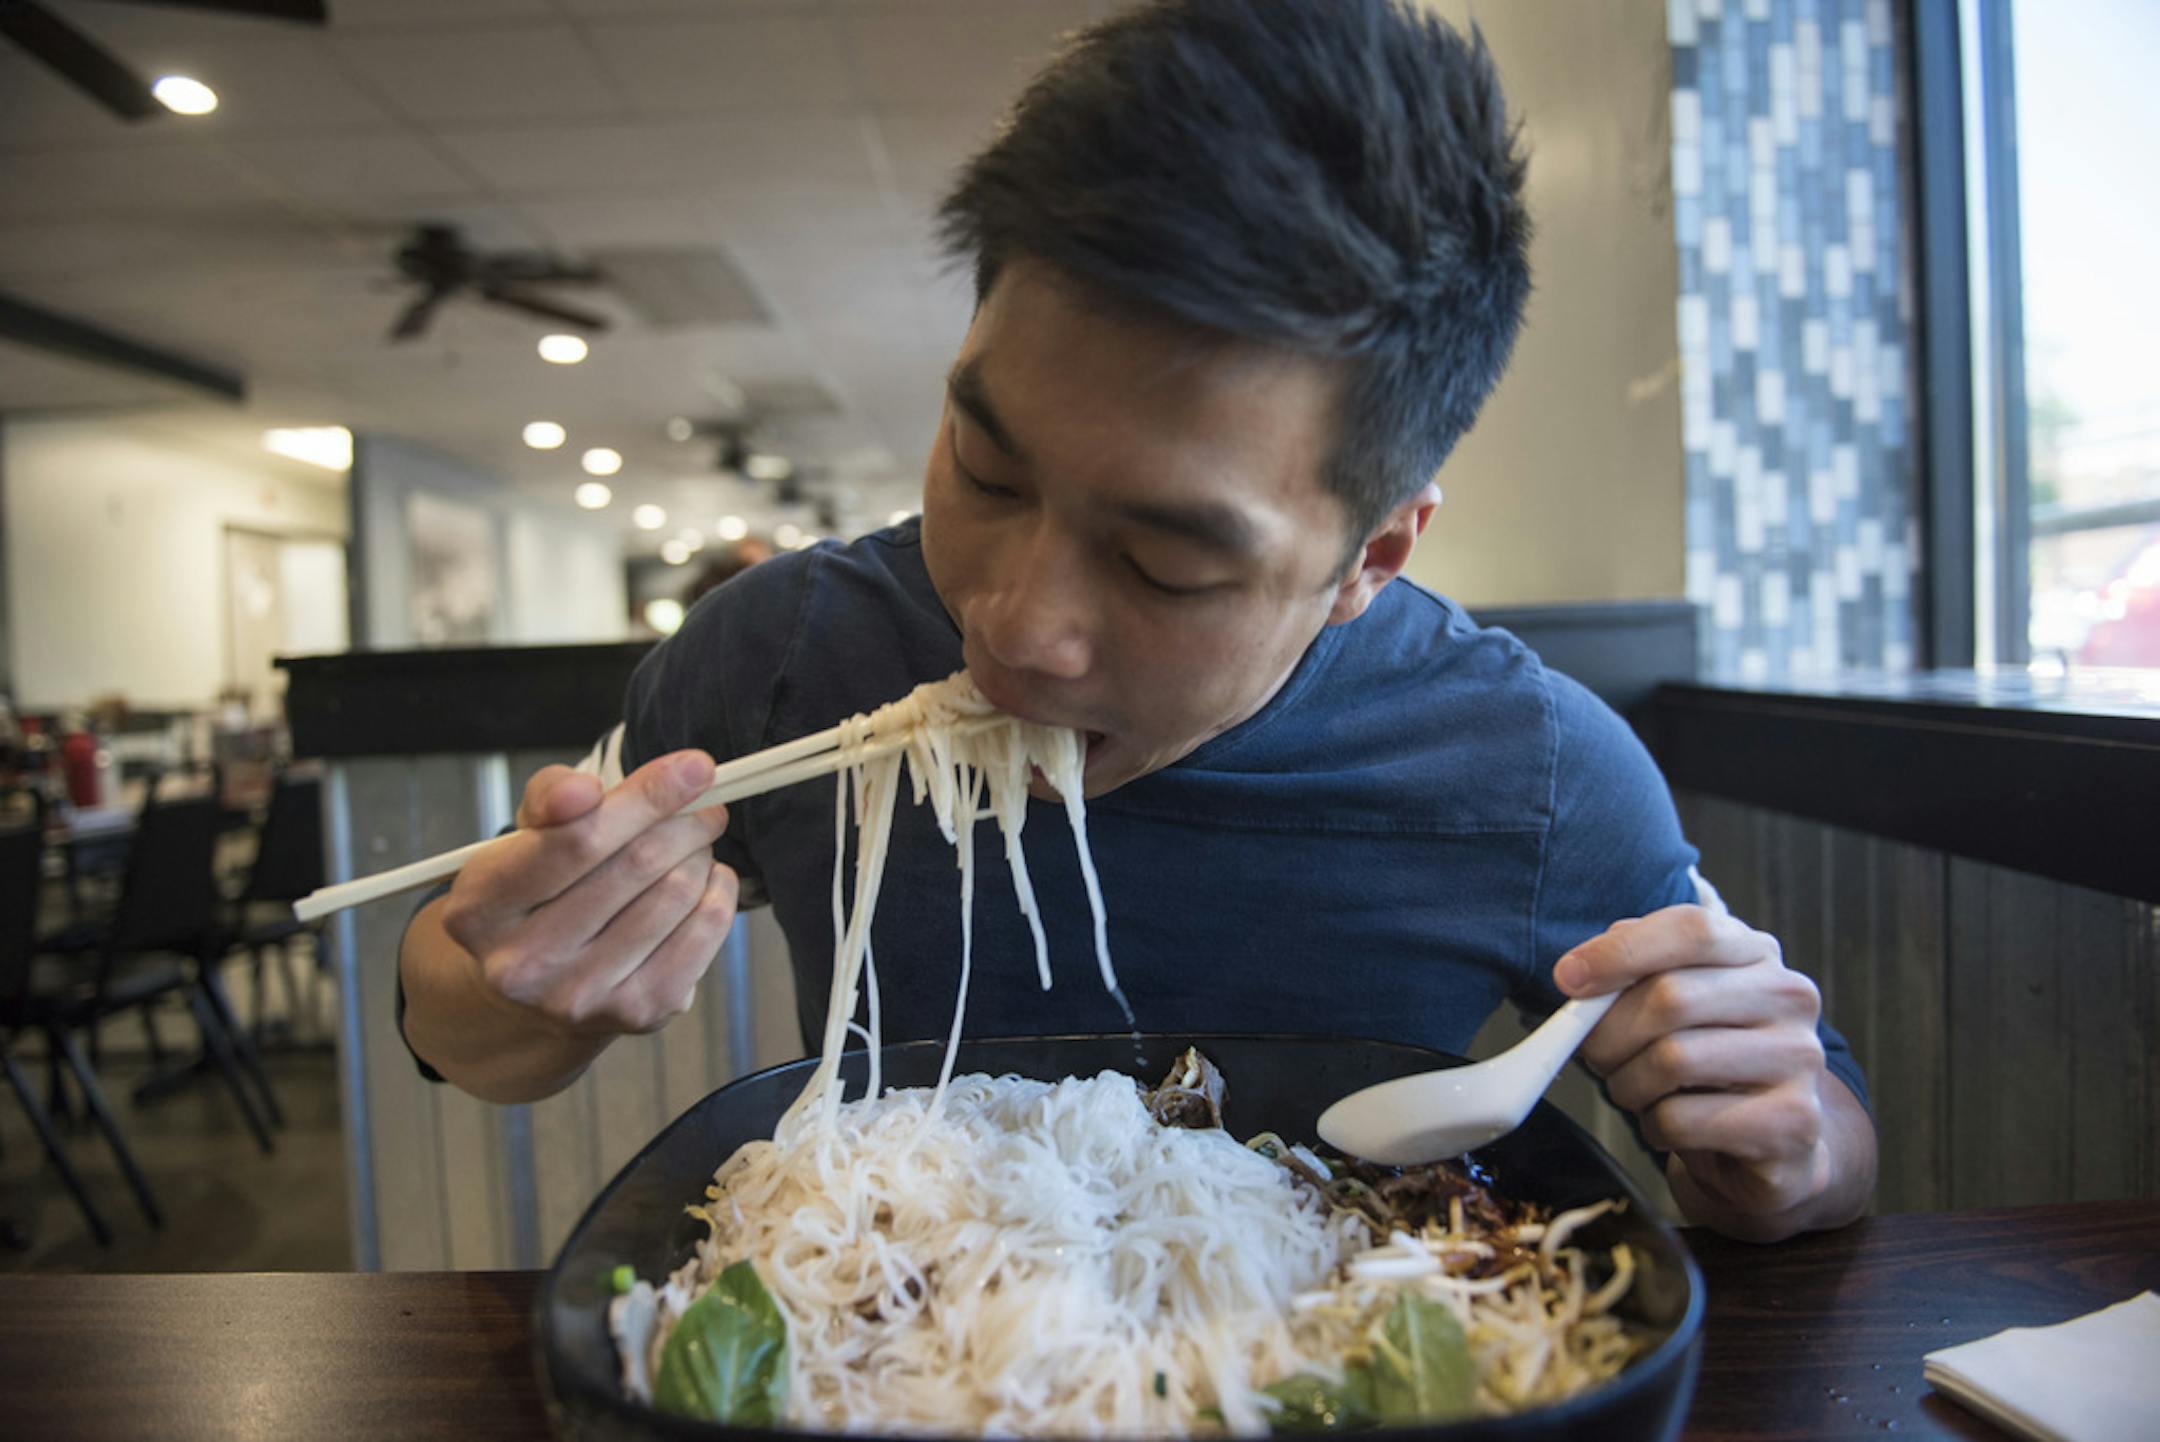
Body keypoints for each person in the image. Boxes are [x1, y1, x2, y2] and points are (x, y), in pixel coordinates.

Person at [398, 0, 1875, 1244]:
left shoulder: (1528, 763)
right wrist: (521, 992)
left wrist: (1780, 1149)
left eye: (1167, 561)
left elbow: (1819, 1143)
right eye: (986, 469)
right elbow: (456, 1015)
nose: (1018, 624)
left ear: (1371, 553)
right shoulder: (787, 649)